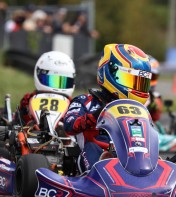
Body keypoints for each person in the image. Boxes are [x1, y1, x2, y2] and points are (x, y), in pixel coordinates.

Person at [64, 43, 152, 174]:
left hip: (131, 156)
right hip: (98, 156)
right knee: (91, 148)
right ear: (110, 72)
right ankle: (95, 179)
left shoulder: (140, 110)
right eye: (131, 80)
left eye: (141, 82)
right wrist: (96, 116)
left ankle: (153, 177)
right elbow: (69, 125)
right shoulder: (86, 101)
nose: (137, 87)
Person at [19, 50, 76, 125]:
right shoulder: (28, 100)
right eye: (52, 80)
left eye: (63, 82)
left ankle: (61, 127)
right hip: (30, 131)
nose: (57, 87)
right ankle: (34, 126)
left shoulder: (74, 105)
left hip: (67, 133)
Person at [145, 55, 163, 122]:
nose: (148, 79)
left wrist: (154, 106)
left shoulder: (155, 96)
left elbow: (156, 118)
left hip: (148, 125)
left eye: (152, 76)